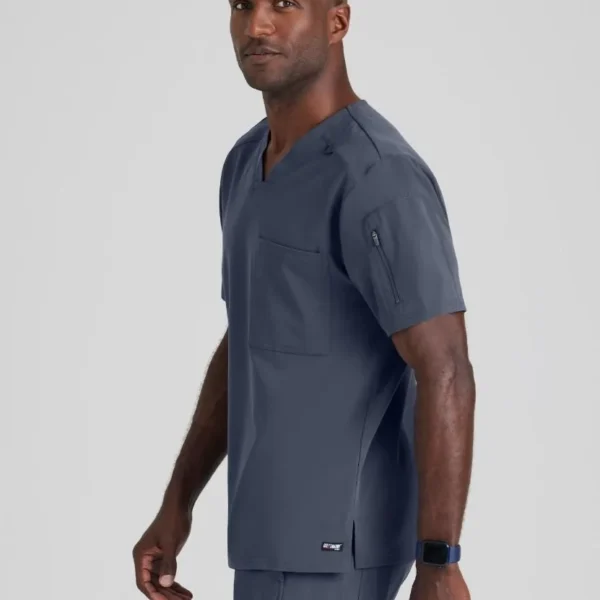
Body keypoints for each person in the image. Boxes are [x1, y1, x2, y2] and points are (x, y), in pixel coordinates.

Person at [132, 1, 476, 599]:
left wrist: (439, 564)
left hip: (340, 549)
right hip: (263, 541)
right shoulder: (245, 163)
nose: (256, 25)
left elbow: (445, 367)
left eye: (285, 3)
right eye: (242, 4)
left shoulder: (378, 176)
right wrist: (178, 501)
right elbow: (250, 336)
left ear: (337, 22)